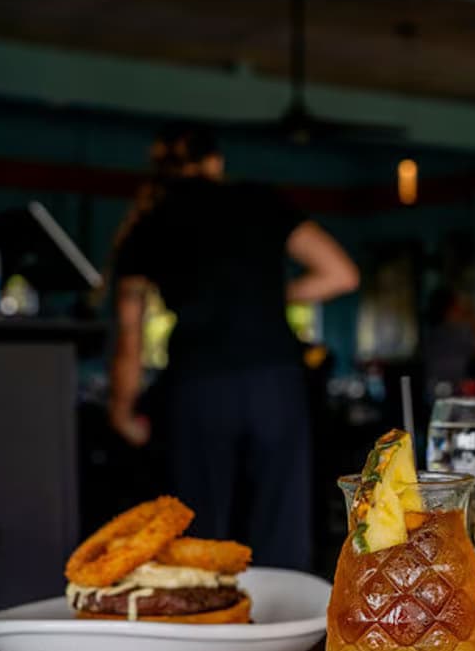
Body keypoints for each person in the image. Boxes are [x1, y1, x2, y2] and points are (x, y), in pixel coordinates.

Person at [109, 124, 359, 570]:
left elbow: (130, 333)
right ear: (215, 162)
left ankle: (207, 625)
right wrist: (265, 297)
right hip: (274, 379)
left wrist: (123, 408)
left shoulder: (149, 222)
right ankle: (289, 633)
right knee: (282, 524)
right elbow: (341, 274)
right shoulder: (260, 200)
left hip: (198, 383)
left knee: (200, 525)